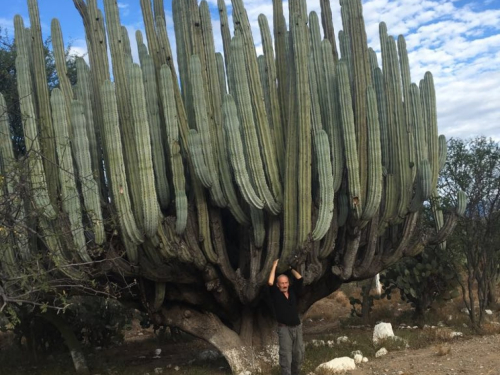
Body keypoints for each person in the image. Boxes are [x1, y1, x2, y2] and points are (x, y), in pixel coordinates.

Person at [267, 258, 304, 375]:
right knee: (286, 356)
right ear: (278, 285)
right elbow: (270, 283)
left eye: (286, 283)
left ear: (288, 283)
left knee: (299, 353)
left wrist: (290, 268)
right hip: (284, 329)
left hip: (297, 328)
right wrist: (274, 266)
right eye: (282, 283)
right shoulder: (276, 294)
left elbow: (300, 279)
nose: (284, 285)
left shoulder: (292, 291)